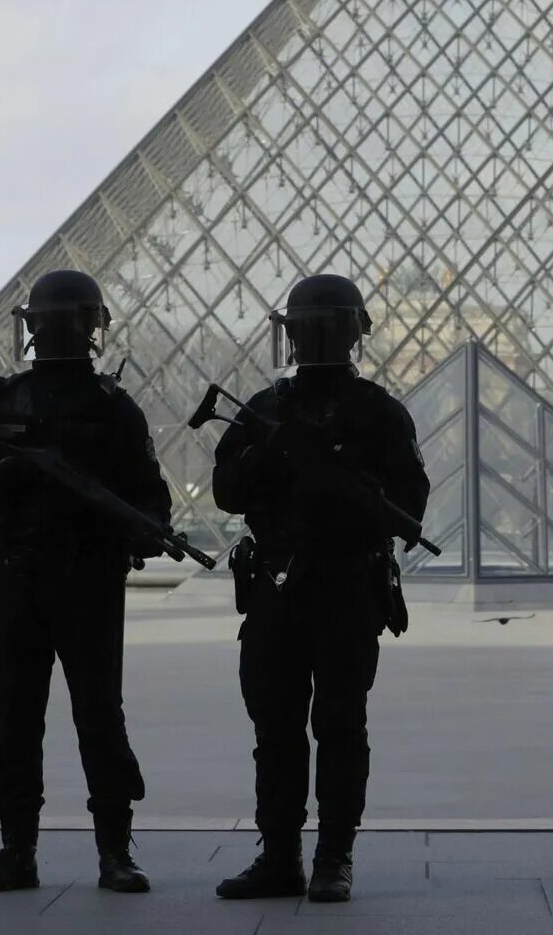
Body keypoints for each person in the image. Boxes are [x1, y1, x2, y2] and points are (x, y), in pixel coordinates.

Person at [0, 269, 170, 895]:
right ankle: (41, 851)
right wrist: (1, 455)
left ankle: (80, 850)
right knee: (36, 718)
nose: (54, 331)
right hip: (33, 580)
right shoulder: (8, 399)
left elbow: (150, 498)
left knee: (78, 717)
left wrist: (146, 528)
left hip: (68, 579)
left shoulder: (102, 406)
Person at [211, 274, 429, 904]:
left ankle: (333, 855)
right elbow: (227, 489)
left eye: (318, 328)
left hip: (344, 583)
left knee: (338, 724)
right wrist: (276, 460)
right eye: (311, 329)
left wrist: (342, 490)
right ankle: (281, 856)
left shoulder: (378, 413)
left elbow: (410, 507)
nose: (314, 339)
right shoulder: (265, 412)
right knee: (276, 727)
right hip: (278, 586)